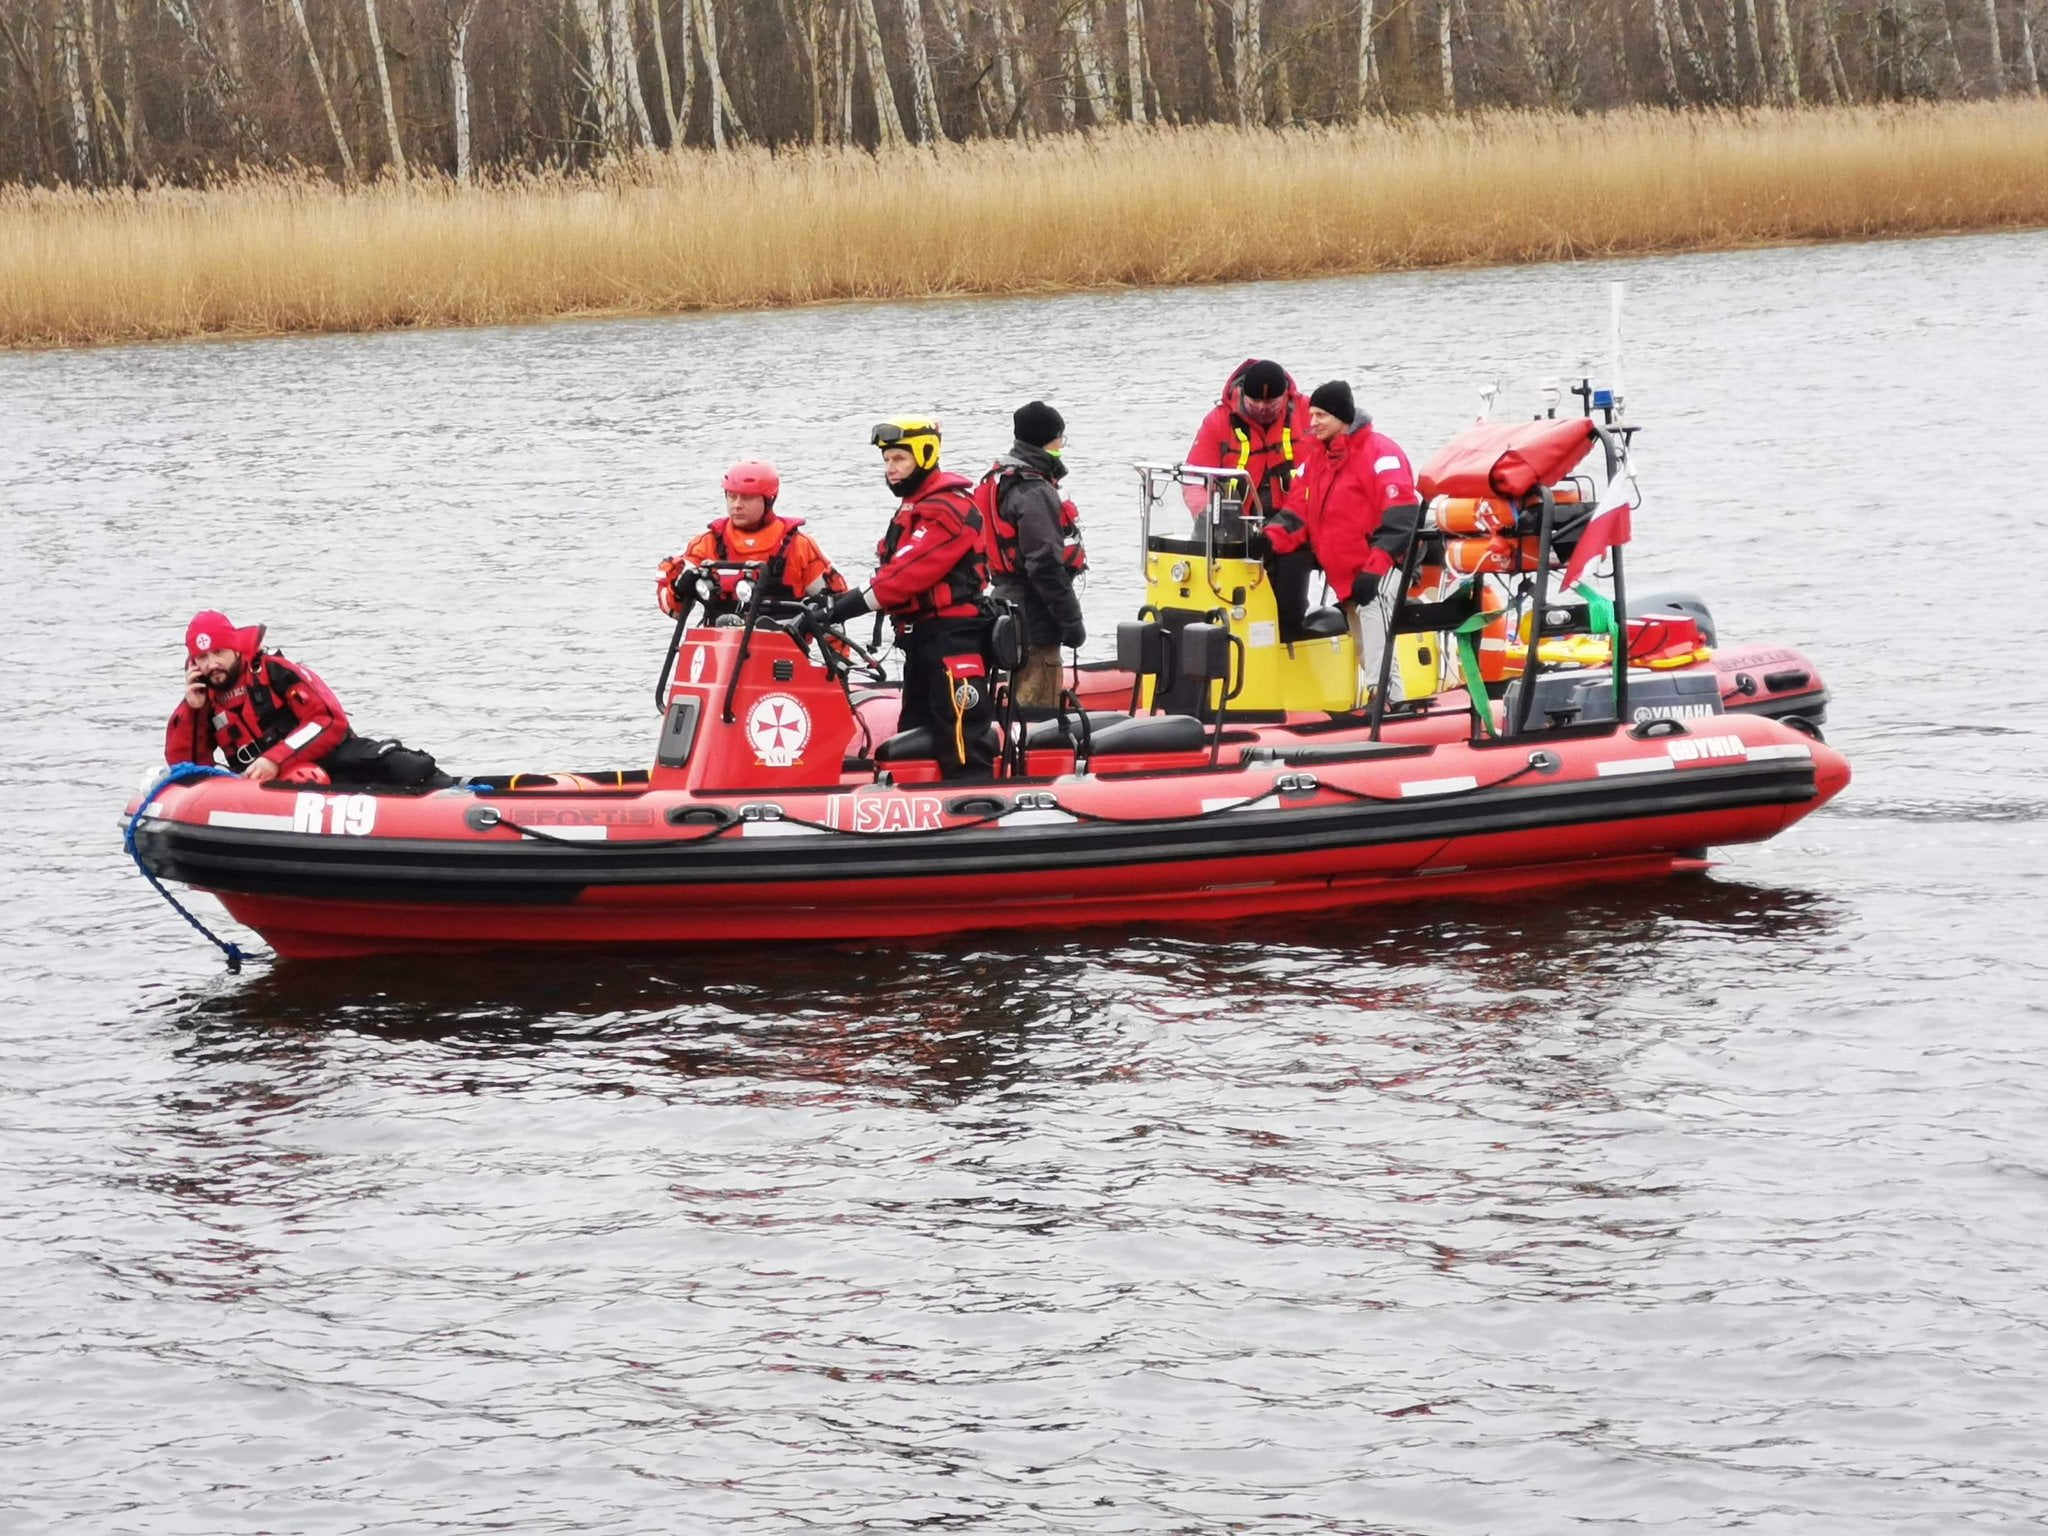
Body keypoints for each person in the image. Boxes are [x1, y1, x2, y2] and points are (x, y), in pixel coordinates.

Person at [807, 419, 995, 781]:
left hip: (953, 641)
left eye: (899, 459)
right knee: (914, 733)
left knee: (962, 743)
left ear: (925, 455)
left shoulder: (948, 510)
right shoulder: (916, 507)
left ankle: (976, 811)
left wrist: (838, 608)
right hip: (922, 642)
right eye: (887, 460)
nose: (890, 469)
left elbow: (905, 575)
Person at [166, 611, 453, 789]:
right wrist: (191, 712)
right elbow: (189, 773)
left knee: (403, 766)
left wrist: (275, 759)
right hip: (260, 789)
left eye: (219, 653)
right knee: (301, 780)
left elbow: (328, 720)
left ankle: (462, 799)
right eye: (202, 658)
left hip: (325, 756)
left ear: (236, 651)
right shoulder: (202, 702)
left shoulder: (273, 672)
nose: (212, 664)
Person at [1275, 379, 1424, 703]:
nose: (1311, 422)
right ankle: (1384, 702)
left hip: (1381, 567)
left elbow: (1401, 516)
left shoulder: (1381, 453)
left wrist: (1377, 567)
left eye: (1320, 415)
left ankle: (1388, 701)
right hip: (1347, 574)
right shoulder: (1315, 459)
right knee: (1361, 645)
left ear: (1341, 416)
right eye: (1311, 414)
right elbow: (1297, 511)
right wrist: (1267, 541)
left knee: (1375, 633)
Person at [1183, 358, 1319, 638]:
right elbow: (1194, 479)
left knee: (1290, 605)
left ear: (1286, 398)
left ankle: (1288, 646)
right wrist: (1207, 513)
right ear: (1243, 395)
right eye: (1256, 406)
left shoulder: (1308, 413)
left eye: (1272, 408)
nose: (1263, 412)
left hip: (1295, 525)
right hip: (1234, 528)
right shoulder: (1218, 421)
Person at [983, 400, 1086, 712]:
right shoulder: (1034, 491)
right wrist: (1071, 621)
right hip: (1036, 616)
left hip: (1005, 603)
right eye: (1059, 438)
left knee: (1019, 690)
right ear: (1047, 441)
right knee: (1038, 705)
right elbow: (1043, 565)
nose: (1061, 445)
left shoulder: (1000, 479)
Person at [656, 459, 846, 622]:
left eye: (747, 498)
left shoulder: (799, 547)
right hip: (719, 651)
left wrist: (837, 659)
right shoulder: (708, 544)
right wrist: (679, 589)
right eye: (732, 496)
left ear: (768, 500)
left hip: (781, 651)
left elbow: (832, 609)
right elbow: (674, 611)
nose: (737, 505)